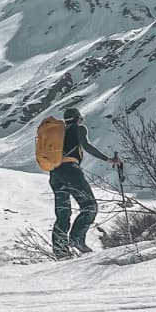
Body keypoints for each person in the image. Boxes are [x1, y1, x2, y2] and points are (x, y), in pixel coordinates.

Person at [50, 106, 118, 258]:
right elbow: (86, 146)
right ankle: (77, 239)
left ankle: (60, 251)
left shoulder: (56, 133)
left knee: (63, 214)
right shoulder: (79, 129)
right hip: (71, 171)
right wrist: (108, 159)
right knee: (89, 206)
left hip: (55, 174)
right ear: (78, 119)